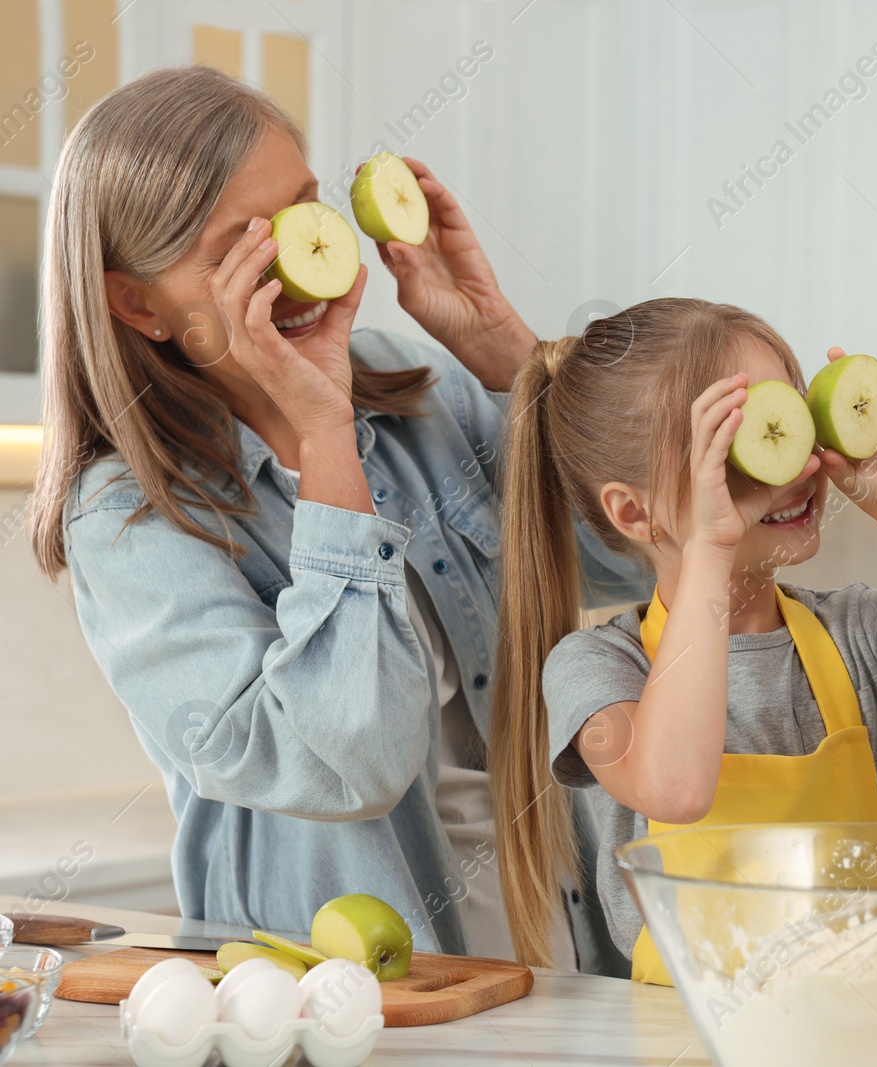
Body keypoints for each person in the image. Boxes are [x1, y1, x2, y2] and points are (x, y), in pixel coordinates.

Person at [26, 66, 648, 969]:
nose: (293, 258)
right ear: (137, 304)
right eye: (236, 248)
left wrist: (510, 358)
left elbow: (621, 553)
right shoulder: (126, 521)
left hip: (558, 932)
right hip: (353, 984)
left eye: (304, 210)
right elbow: (352, 760)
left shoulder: (408, 385)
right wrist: (324, 436)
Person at [489, 297, 877, 979]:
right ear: (634, 511)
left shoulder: (864, 633)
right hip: (687, 1040)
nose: (796, 466)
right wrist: (712, 548)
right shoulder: (598, 666)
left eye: (789, 420)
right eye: (733, 448)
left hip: (866, 1035)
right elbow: (676, 788)